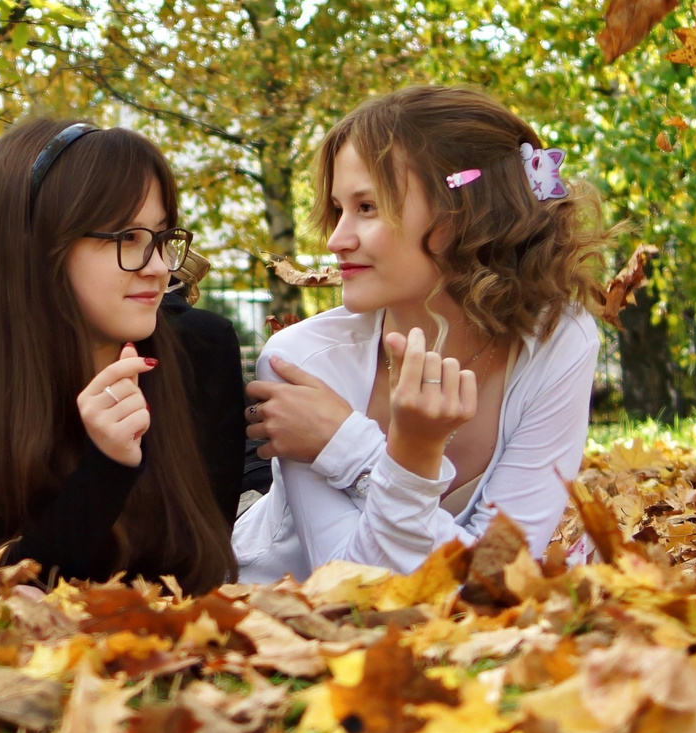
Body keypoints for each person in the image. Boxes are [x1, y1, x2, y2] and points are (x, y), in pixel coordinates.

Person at [237, 85, 608, 581]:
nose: (336, 239)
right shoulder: (301, 361)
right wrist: (405, 459)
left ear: (462, 215)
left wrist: (351, 447)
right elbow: (351, 589)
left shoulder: (558, 341)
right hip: (276, 619)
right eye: (339, 209)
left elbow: (498, 573)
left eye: (367, 207)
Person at [0, 118, 250, 589]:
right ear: (41, 246)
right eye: (126, 238)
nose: (156, 268)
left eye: (161, 237)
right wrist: (105, 468)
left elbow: (200, 572)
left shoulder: (201, 350)